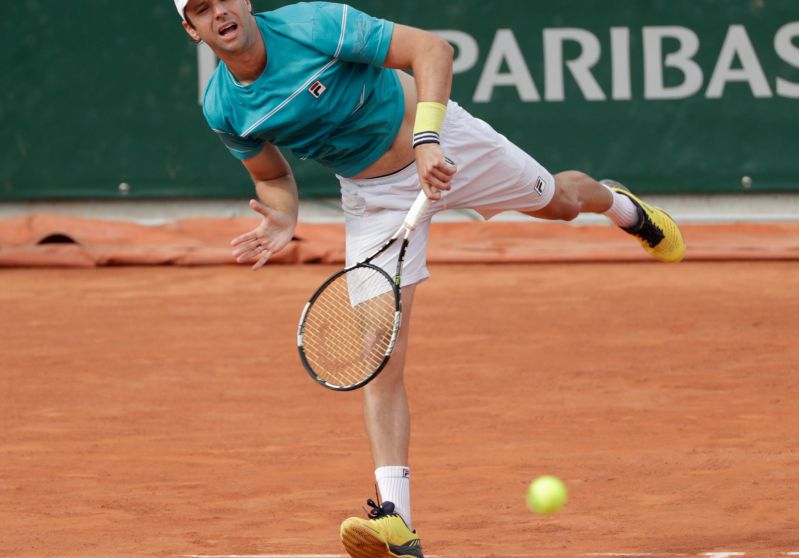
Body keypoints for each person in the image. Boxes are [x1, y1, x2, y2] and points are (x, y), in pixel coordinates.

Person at [175, 0, 685, 556]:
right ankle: (397, 518)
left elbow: (432, 49)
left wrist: (428, 139)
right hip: (374, 198)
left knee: (559, 202)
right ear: (192, 29)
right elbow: (270, 172)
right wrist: (285, 215)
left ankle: (622, 208)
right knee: (378, 348)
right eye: (202, 9)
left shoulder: (312, 24)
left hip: (444, 142)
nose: (219, 11)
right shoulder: (222, 107)